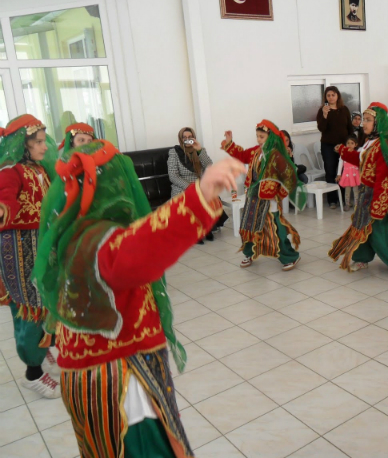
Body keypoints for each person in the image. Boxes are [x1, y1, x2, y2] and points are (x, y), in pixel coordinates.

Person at [33, 138, 246, 458]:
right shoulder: (96, 239)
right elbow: (140, 250)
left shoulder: (70, 232)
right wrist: (199, 196)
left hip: (88, 379)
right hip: (122, 391)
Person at [0, 115, 60, 398]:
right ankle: (32, 373)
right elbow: (5, 204)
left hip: (42, 249)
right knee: (28, 308)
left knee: (46, 301)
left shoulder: (38, 169)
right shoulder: (9, 173)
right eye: (37, 142)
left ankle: (44, 346)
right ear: (22, 145)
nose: (44, 147)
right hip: (19, 250)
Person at [329, 102, 388, 278]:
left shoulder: (383, 145)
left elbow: (384, 177)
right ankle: (362, 258)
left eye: (368, 120)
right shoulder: (369, 143)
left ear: (378, 123)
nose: (364, 123)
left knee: (382, 230)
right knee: (361, 225)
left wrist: (378, 201)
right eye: (364, 120)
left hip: (380, 195)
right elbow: (360, 159)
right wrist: (344, 152)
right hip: (367, 192)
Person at [222, 120, 306, 271]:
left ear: (271, 136)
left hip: (269, 198)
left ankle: (290, 256)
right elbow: (241, 155)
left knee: (275, 228)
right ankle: (249, 253)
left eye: (261, 137)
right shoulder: (256, 151)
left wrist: (279, 194)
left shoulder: (277, 155)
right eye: (257, 136)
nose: (258, 140)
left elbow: (289, 176)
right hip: (253, 196)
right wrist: (230, 143)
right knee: (248, 226)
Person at [168, 127, 226, 243]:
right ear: (180, 139)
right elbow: (173, 176)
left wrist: (199, 151)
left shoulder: (199, 150)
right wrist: (190, 187)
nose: (187, 140)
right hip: (182, 187)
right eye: (184, 137)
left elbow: (209, 167)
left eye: (190, 137)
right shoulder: (174, 152)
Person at [316, 86, 353, 209]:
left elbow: (349, 128)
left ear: (338, 96)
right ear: (325, 97)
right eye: (328, 95)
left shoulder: (344, 109)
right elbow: (321, 128)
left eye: (333, 95)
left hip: (343, 145)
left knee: (343, 171)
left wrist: (351, 143)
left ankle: (343, 198)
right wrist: (325, 115)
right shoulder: (323, 110)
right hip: (328, 146)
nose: (331, 97)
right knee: (330, 171)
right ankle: (332, 200)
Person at [336, 136, 361, 211]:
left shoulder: (357, 154)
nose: (350, 145)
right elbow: (340, 163)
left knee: (356, 190)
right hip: (346, 175)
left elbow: (360, 164)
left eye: (352, 143)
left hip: (355, 174)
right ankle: (347, 204)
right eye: (348, 143)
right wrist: (339, 174)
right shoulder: (343, 154)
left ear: (355, 145)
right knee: (347, 190)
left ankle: (356, 204)